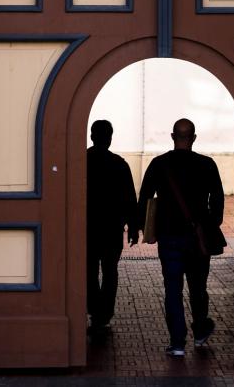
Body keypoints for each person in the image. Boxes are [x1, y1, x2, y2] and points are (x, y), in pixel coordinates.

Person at [137, 118, 224, 357]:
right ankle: (199, 332)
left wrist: (142, 228)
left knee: (172, 289)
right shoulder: (207, 165)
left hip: (169, 237)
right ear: (193, 138)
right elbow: (217, 202)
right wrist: (209, 226)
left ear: (173, 136)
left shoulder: (159, 164)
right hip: (197, 238)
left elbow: (145, 198)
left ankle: (177, 343)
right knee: (198, 287)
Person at [86, 120, 138, 332]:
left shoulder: (81, 161)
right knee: (110, 271)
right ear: (110, 137)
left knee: (88, 271)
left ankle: (94, 309)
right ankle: (104, 313)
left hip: (88, 227)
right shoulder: (119, 164)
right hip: (111, 228)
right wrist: (133, 227)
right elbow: (129, 198)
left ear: (92, 136)